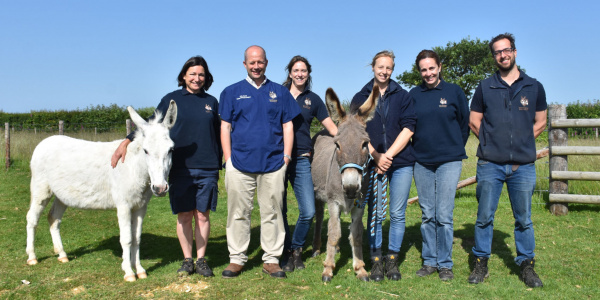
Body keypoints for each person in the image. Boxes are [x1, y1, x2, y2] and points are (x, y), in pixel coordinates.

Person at [111, 56, 222, 277]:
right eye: (192, 74)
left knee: (202, 215)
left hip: (207, 166)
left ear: (206, 77)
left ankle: (201, 260)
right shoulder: (171, 99)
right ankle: (187, 260)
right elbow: (149, 126)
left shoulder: (212, 102)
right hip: (179, 167)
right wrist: (126, 141)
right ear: (183, 76)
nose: (196, 78)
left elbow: (219, 132)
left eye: (201, 74)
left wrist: (223, 159)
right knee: (184, 215)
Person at [468, 33, 547, 288]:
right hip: (490, 164)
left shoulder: (534, 86)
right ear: (494, 56)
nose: (503, 55)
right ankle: (481, 263)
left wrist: (523, 141)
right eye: (497, 52)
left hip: (522, 165)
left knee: (524, 218)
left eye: (507, 50)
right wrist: (491, 143)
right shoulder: (484, 86)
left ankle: (526, 265)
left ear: (514, 51)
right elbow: (474, 120)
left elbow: (541, 121)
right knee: (484, 217)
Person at [219, 45, 301, 279]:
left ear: (267, 63)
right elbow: (225, 126)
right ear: (244, 64)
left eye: (260, 62)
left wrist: (286, 157)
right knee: (238, 213)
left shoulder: (280, 92)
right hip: (239, 164)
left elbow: (288, 125)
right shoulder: (231, 92)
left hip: (273, 164)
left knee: (272, 213)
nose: (256, 66)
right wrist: (228, 160)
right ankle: (237, 259)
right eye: (252, 62)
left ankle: (271, 260)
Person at [350, 50, 416, 282]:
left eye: (388, 68)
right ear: (373, 67)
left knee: (397, 214)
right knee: (375, 213)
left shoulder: (403, 95)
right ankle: (376, 259)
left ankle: (392, 260)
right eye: (381, 67)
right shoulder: (361, 96)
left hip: (401, 162)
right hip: (371, 164)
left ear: (392, 69)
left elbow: (409, 128)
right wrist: (376, 156)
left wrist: (388, 155)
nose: (384, 71)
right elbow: (357, 132)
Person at [409, 50, 470, 281]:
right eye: (423, 69)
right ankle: (429, 261)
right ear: (420, 71)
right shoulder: (414, 95)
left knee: (444, 214)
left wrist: (453, 147)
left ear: (439, 67)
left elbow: (464, 124)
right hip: (422, 161)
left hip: (449, 161)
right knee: (427, 214)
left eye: (431, 68)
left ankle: (445, 263)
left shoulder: (454, 91)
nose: (428, 73)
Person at [279, 55, 338, 272]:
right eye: (296, 70)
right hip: (277, 158)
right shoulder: (278, 94)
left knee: (308, 211)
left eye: (304, 70)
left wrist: (351, 140)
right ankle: (285, 252)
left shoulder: (313, 99)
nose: (300, 74)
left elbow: (331, 127)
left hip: (302, 158)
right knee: (280, 209)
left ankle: (296, 249)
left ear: (308, 74)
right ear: (290, 72)